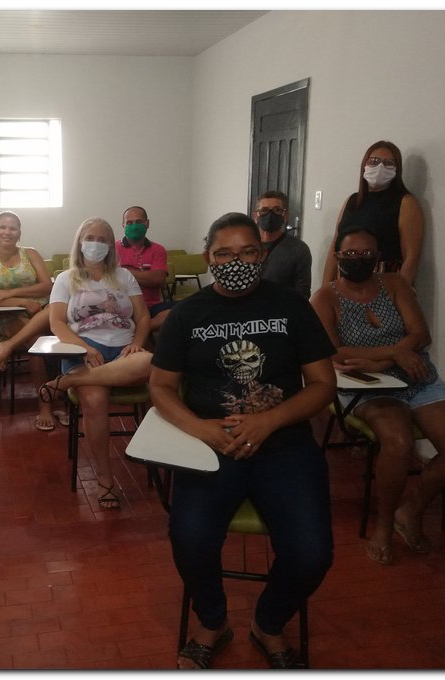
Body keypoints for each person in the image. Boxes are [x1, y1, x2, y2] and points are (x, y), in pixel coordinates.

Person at [149, 212, 335, 669]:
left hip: (283, 443)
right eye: (225, 254)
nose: (237, 262)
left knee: (312, 553)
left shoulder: (292, 306)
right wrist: (203, 429)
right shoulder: (187, 314)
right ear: (208, 257)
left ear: (263, 254)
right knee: (189, 538)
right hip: (211, 446)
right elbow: (161, 387)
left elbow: (323, 385)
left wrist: (268, 421)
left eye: (248, 252)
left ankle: (268, 623)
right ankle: (213, 621)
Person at [311, 226, 445, 566]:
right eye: (350, 253)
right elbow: (334, 352)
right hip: (366, 385)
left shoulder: (395, 285)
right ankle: (384, 525)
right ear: (338, 257)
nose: (358, 259)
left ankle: (411, 508)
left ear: (378, 258)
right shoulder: (324, 297)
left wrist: (389, 358)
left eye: (366, 254)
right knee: (399, 442)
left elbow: (421, 334)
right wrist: (395, 354)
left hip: (415, 376)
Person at [46, 217, 152, 510]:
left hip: (124, 349)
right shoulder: (66, 279)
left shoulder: (124, 276)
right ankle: (105, 479)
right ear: (80, 243)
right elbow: (57, 323)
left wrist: (137, 342)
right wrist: (85, 348)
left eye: (103, 239)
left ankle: (68, 382)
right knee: (94, 400)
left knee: (149, 362)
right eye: (90, 238)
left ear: (111, 245)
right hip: (83, 349)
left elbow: (143, 316)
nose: (96, 244)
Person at [0, 211, 57, 431]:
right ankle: (45, 405)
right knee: (36, 342)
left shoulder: (31, 253)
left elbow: (47, 286)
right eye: (2, 227)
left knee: (61, 322)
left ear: (19, 233)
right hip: (7, 317)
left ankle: (9, 346)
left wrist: (12, 293)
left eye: (13, 228)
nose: (7, 232)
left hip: (42, 312)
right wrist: (22, 302)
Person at [320, 140, 424, 287]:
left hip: (384, 282)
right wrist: (325, 289)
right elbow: (335, 246)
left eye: (388, 163)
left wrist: (397, 294)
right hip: (345, 282)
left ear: (397, 169)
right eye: (374, 161)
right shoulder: (352, 200)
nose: (380, 167)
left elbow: (412, 257)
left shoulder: (406, 203)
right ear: (364, 165)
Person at [115, 206, 173, 331]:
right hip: (123, 306)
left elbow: (158, 279)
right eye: (129, 223)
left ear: (147, 224)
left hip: (152, 306)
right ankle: (143, 330)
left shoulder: (158, 250)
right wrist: (146, 276)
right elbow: (109, 278)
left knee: (179, 311)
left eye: (138, 222)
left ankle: (140, 329)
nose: (134, 226)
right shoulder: (113, 249)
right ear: (123, 225)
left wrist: (123, 272)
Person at [254, 191, 312, 298]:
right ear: (256, 216)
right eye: (264, 210)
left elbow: (302, 294)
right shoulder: (246, 247)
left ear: (285, 215)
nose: (270, 215)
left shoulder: (298, 249)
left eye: (277, 210)